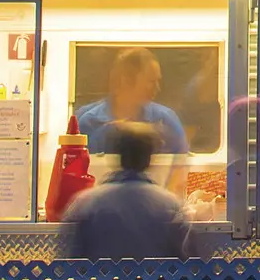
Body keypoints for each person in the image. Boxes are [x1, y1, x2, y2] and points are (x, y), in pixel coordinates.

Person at [59, 121, 193, 258]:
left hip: (98, 279)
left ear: (116, 156)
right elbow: (185, 262)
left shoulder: (84, 203)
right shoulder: (170, 204)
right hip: (155, 279)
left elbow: (68, 259)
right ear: (149, 159)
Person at [75, 46, 190, 184]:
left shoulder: (166, 121)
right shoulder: (87, 122)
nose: (158, 88)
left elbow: (180, 170)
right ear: (126, 79)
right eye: (151, 81)